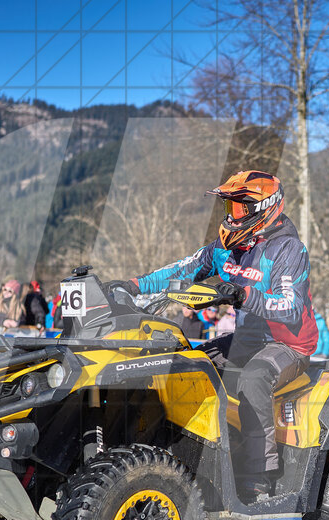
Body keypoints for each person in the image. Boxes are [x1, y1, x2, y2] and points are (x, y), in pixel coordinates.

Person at [114, 170, 318, 502]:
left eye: (239, 208)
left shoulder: (289, 250)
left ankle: (259, 475)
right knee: (187, 364)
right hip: (248, 339)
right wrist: (134, 285)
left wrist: (241, 295)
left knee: (254, 378)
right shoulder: (226, 248)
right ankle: (185, 453)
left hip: (289, 344)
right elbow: (184, 268)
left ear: (264, 208)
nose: (231, 215)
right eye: (230, 208)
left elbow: (290, 307)